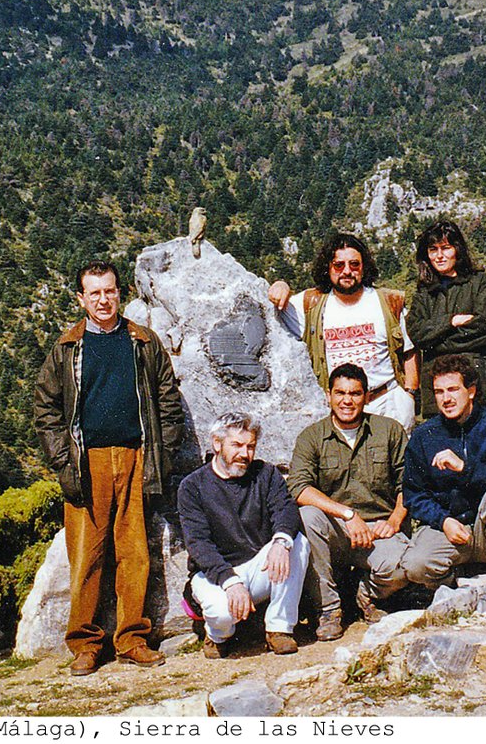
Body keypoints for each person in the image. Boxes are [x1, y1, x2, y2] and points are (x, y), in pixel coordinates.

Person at [34, 261, 185, 676]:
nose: (103, 299)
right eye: (94, 293)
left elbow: (168, 401)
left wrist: (163, 456)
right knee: (87, 556)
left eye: (110, 291)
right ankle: (85, 643)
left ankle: (131, 638)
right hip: (88, 462)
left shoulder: (142, 341)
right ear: (81, 299)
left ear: (121, 294)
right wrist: (63, 464)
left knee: (135, 553)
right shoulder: (67, 348)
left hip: (135, 456)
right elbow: (45, 409)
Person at [287, 364, 411, 640]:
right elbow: (299, 488)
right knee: (307, 517)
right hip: (337, 529)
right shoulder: (311, 437)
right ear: (328, 396)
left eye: (355, 394)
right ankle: (329, 609)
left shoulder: (389, 431)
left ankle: (365, 594)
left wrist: (393, 520)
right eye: (340, 393)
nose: (347, 401)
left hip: (379, 529)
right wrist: (346, 514)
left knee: (408, 564)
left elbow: (410, 483)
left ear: (366, 396)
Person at [402, 353, 486, 616]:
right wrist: (443, 521)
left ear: (470, 391)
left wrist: (465, 468)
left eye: (453, 389)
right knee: (415, 565)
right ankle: (455, 580)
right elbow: (414, 495)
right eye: (439, 392)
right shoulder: (424, 436)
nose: (446, 399)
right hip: (449, 529)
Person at [178, 413, 309, 659]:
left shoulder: (266, 474)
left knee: (296, 542)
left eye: (250, 446)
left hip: (258, 566)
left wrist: (281, 542)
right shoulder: (193, 486)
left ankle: (279, 628)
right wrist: (230, 580)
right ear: (217, 444)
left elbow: (285, 509)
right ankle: (218, 636)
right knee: (222, 613)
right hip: (216, 573)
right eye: (236, 445)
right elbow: (198, 543)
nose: (244, 454)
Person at [268, 232, 418, 430]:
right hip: (340, 410)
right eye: (339, 265)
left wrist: (409, 394)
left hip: (387, 403)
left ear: (364, 267)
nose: (347, 271)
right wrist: (280, 284)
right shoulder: (310, 305)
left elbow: (409, 350)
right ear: (328, 268)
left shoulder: (387, 302)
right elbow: (272, 305)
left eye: (354, 264)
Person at [406, 219, 486, 415]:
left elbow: (484, 329)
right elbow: (416, 334)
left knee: (485, 444)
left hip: (482, 390)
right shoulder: (424, 294)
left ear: (457, 250)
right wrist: (451, 322)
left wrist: (435, 340)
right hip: (438, 398)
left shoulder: (480, 284)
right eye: (433, 249)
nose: (439, 256)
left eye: (446, 248)